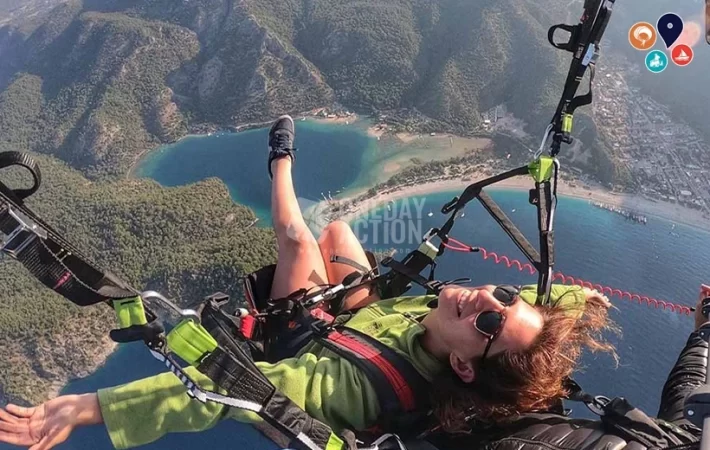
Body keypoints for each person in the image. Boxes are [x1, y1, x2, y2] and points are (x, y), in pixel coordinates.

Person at [0, 116, 617, 450]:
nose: (489, 296)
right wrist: (579, 299)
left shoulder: (351, 387)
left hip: (305, 340)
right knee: (341, 230)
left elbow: (225, 393)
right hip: (364, 319)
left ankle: (280, 161)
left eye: (489, 321)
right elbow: (534, 312)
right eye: (504, 295)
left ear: (461, 366)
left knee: (298, 239)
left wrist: (91, 407)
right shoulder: (447, 322)